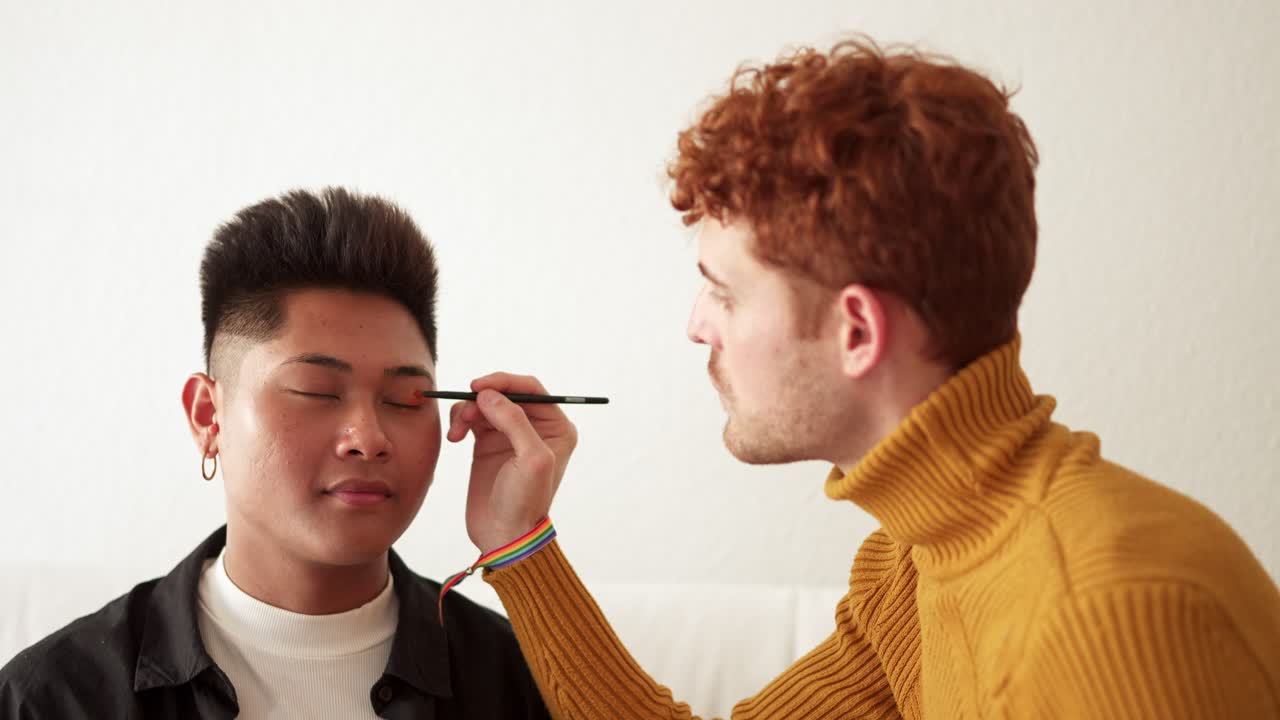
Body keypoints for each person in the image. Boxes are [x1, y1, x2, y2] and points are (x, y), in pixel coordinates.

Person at [444, 38, 1280, 718]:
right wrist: (522, 546)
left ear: (855, 330)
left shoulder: (1104, 618)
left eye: (723, 291)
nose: (696, 325)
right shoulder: (911, 566)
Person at [0, 188, 550, 719]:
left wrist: (521, 542)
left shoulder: (520, 682)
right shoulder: (55, 697)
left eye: (406, 399)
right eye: (315, 390)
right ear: (208, 417)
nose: (368, 436)